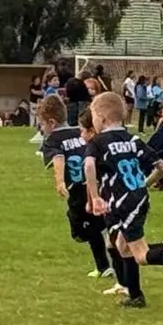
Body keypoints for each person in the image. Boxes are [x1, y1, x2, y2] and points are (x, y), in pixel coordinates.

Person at [83, 92, 163, 308]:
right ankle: (136, 296)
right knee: (122, 246)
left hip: (124, 203)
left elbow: (89, 165)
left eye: (93, 117)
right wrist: (143, 186)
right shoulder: (134, 140)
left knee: (140, 254)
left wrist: (94, 197)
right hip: (137, 199)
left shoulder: (98, 142)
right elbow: (162, 167)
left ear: (102, 118)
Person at [36, 94, 118, 281]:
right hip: (95, 185)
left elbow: (58, 157)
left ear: (52, 123)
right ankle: (104, 265)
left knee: (81, 232)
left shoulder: (53, 139)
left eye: (42, 124)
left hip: (77, 190)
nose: (42, 129)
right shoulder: (79, 132)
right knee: (92, 225)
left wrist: (59, 181)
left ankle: (105, 253)